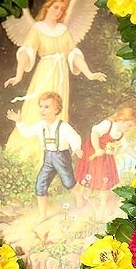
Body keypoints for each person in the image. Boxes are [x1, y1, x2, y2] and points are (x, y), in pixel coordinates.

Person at [2, 0, 107, 163]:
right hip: (44, 73)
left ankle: (52, 157)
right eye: (56, 7)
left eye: (62, 9)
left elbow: (73, 54)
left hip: (61, 75)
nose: (59, 12)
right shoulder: (37, 29)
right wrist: (18, 75)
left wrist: (89, 73)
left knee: (57, 111)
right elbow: (27, 51)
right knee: (36, 108)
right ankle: (24, 156)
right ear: (48, 6)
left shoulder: (64, 31)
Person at [6, 92, 84, 220]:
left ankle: (79, 195)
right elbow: (27, 132)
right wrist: (19, 121)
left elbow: (74, 137)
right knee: (40, 184)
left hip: (61, 157)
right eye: (41, 106)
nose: (42, 110)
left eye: (46, 107)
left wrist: (76, 148)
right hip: (48, 157)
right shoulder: (40, 126)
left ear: (56, 110)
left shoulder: (63, 126)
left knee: (68, 182)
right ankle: (43, 214)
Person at [75, 107, 136, 202]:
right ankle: (84, 194)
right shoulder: (108, 124)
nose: (129, 129)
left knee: (104, 175)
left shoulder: (120, 134)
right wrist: (97, 148)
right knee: (92, 172)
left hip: (105, 155)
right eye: (129, 125)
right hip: (94, 151)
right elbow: (94, 133)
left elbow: (126, 146)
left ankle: (95, 198)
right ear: (122, 119)